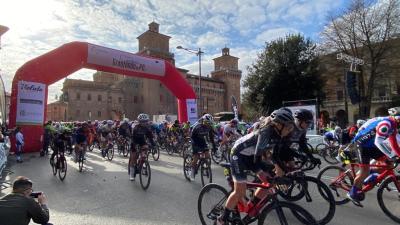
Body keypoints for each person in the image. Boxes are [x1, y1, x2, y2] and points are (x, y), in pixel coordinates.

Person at [217, 108, 295, 225]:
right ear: (278, 125)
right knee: (240, 191)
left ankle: (251, 206)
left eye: (291, 127)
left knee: (267, 182)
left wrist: (284, 170)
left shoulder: (279, 134)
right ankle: (222, 219)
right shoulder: (265, 132)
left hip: (252, 156)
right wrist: (270, 169)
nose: (290, 129)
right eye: (288, 126)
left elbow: (276, 155)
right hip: (238, 154)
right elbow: (258, 158)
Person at [346, 107, 400, 203]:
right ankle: (352, 192)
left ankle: (368, 175)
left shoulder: (393, 124)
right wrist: (393, 156)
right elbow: (379, 142)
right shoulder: (386, 124)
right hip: (361, 144)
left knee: (388, 164)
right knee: (365, 171)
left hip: (371, 145)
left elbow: (393, 142)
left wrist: (398, 155)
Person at [190, 114, 217, 180]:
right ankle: (192, 172)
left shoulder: (209, 127)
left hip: (202, 140)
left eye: (209, 123)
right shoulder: (197, 126)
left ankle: (205, 165)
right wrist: (196, 148)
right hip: (195, 140)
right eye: (206, 123)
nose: (208, 124)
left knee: (207, 155)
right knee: (196, 157)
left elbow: (211, 138)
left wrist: (214, 147)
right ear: (203, 121)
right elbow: (192, 136)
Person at [129, 113, 155, 181]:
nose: (144, 123)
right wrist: (135, 146)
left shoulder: (147, 128)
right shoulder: (135, 127)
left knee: (145, 149)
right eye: (143, 122)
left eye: (146, 121)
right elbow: (133, 138)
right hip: (134, 141)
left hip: (142, 141)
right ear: (139, 122)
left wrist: (153, 145)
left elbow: (150, 137)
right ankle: (132, 174)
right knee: (134, 157)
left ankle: (143, 162)